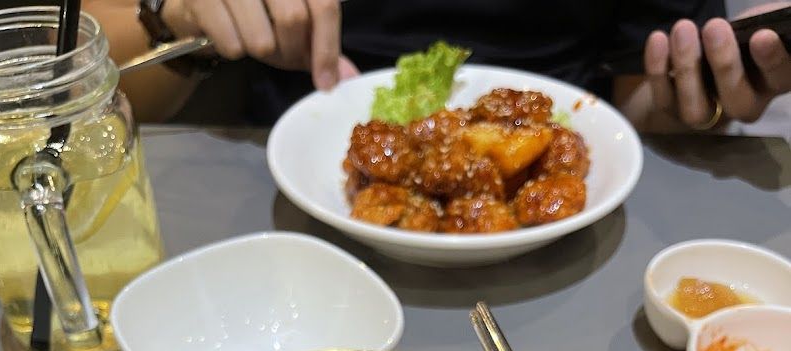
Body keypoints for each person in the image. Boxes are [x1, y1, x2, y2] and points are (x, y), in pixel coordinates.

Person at [85, 0, 791, 130]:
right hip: (281, 197)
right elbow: (89, 75)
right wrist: (172, 19)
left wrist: (691, 98)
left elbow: (639, 97)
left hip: (561, 258)